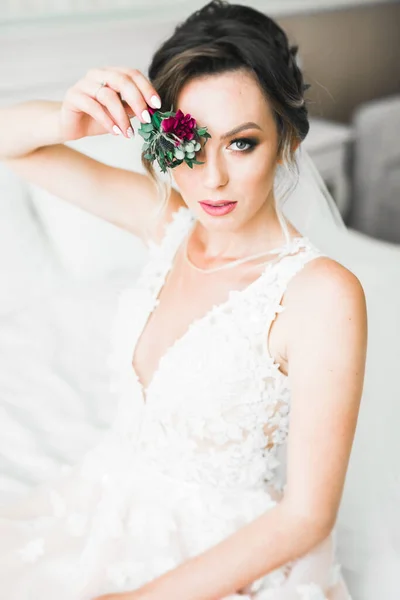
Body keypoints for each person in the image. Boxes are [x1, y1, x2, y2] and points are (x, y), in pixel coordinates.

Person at [0, 1, 370, 599]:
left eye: (242, 144)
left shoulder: (320, 294)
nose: (212, 177)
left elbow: (306, 518)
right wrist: (76, 121)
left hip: (224, 551)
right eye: (188, 142)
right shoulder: (167, 222)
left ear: (286, 142)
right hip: (108, 506)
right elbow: (10, 146)